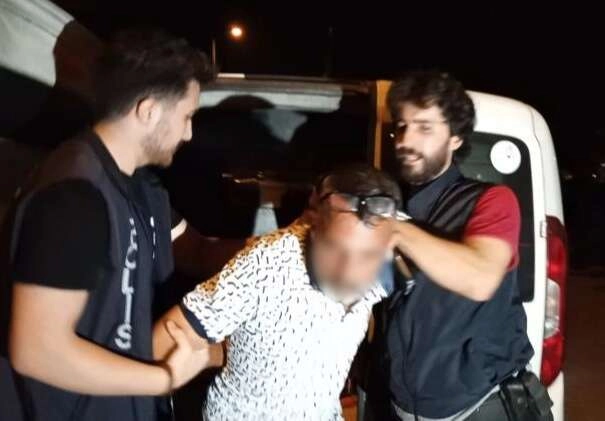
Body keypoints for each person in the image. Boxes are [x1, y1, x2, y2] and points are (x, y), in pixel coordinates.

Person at [0, 30, 226, 421]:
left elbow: (194, 249)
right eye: (187, 117)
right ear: (148, 111)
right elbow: (37, 350)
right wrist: (164, 378)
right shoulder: (74, 195)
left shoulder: (137, 188)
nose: (189, 133)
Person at [364, 71, 552, 421]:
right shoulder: (393, 205)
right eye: (401, 127)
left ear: (455, 137)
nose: (405, 140)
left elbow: (480, 278)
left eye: (424, 127)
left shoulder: (492, 201)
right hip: (403, 409)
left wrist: (395, 230)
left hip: (479, 407)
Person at [153, 165, 401, 420]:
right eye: (334, 248)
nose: (346, 270)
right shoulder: (265, 264)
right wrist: (164, 378)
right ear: (313, 222)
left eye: (366, 255)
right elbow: (162, 342)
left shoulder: (382, 258)